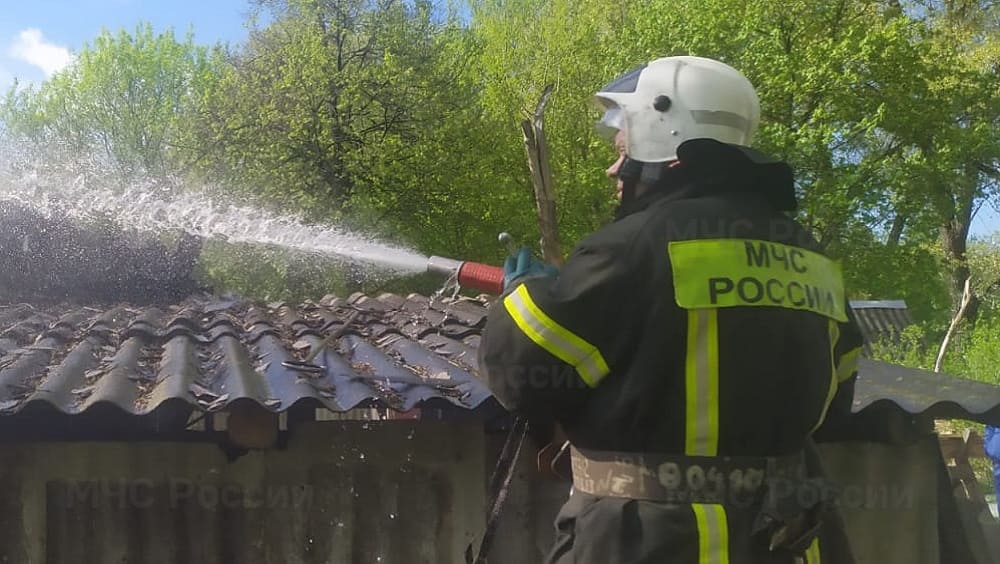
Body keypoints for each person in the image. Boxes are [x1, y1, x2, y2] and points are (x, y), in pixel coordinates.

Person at [478, 55, 865, 564]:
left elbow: (519, 375)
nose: (613, 167)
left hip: (654, 541)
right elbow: (835, 406)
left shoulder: (632, 246)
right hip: (785, 542)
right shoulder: (811, 256)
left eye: (623, 149)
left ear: (668, 144)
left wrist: (520, 294)